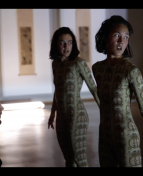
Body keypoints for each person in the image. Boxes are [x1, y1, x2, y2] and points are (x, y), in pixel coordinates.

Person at [92, 15, 143, 167]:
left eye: (126, 37)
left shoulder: (131, 71)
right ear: (105, 37)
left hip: (127, 137)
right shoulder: (97, 69)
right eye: (117, 35)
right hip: (104, 137)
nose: (122, 41)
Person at [47, 27, 100, 167]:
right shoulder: (55, 64)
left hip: (77, 115)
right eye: (62, 43)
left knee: (80, 159)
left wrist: (106, 111)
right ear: (56, 44)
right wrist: (52, 113)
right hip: (61, 117)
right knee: (69, 159)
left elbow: (93, 88)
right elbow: (58, 90)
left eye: (69, 42)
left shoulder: (78, 63)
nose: (66, 47)